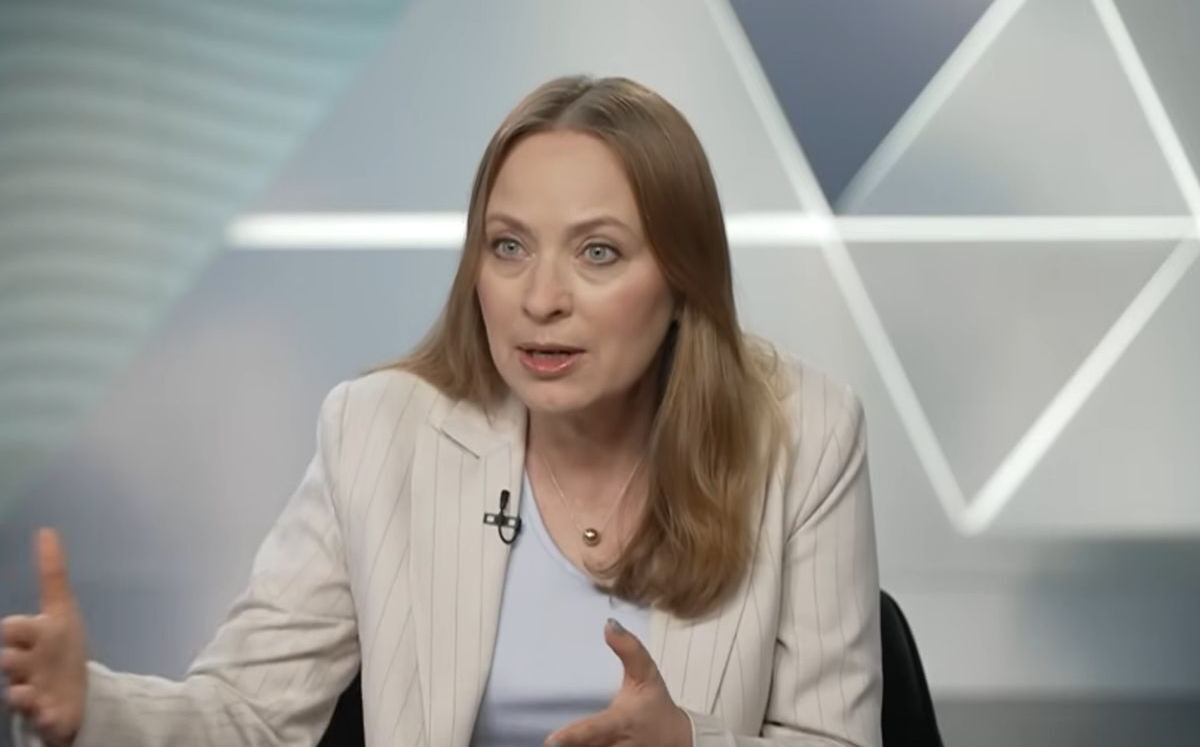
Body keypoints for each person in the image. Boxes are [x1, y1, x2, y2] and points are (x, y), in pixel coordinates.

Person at [2, 75, 882, 747]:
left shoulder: (806, 436)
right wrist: (95, 708)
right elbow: (249, 717)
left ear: (683, 280)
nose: (540, 298)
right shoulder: (376, 432)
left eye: (598, 253)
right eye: (509, 247)